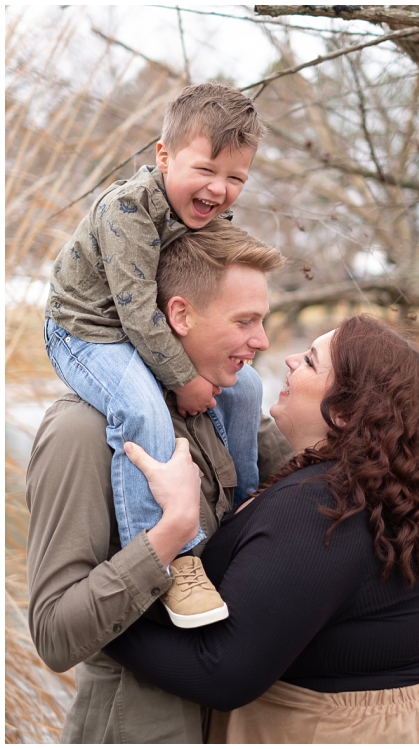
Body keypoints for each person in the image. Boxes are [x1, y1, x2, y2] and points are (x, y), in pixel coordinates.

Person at [102, 314, 419, 743]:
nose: (287, 360)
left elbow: (220, 675)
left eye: (308, 360)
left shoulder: (326, 507)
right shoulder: (379, 488)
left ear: (342, 412)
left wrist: (96, 618)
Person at [27, 220, 294, 742]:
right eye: (245, 321)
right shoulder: (81, 431)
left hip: (228, 718)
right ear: (180, 315)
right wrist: (171, 533)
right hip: (138, 728)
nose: (260, 341)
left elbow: (311, 475)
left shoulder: (226, 402)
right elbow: (55, 635)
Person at [43, 82, 267, 627]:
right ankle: (175, 556)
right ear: (163, 156)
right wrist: (187, 380)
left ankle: (246, 510)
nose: (219, 189)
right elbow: (139, 312)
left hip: (139, 326)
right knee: (141, 407)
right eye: (206, 170)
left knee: (251, 388)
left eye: (235, 178)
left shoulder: (208, 219)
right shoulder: (127, 210)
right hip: (89, 330)